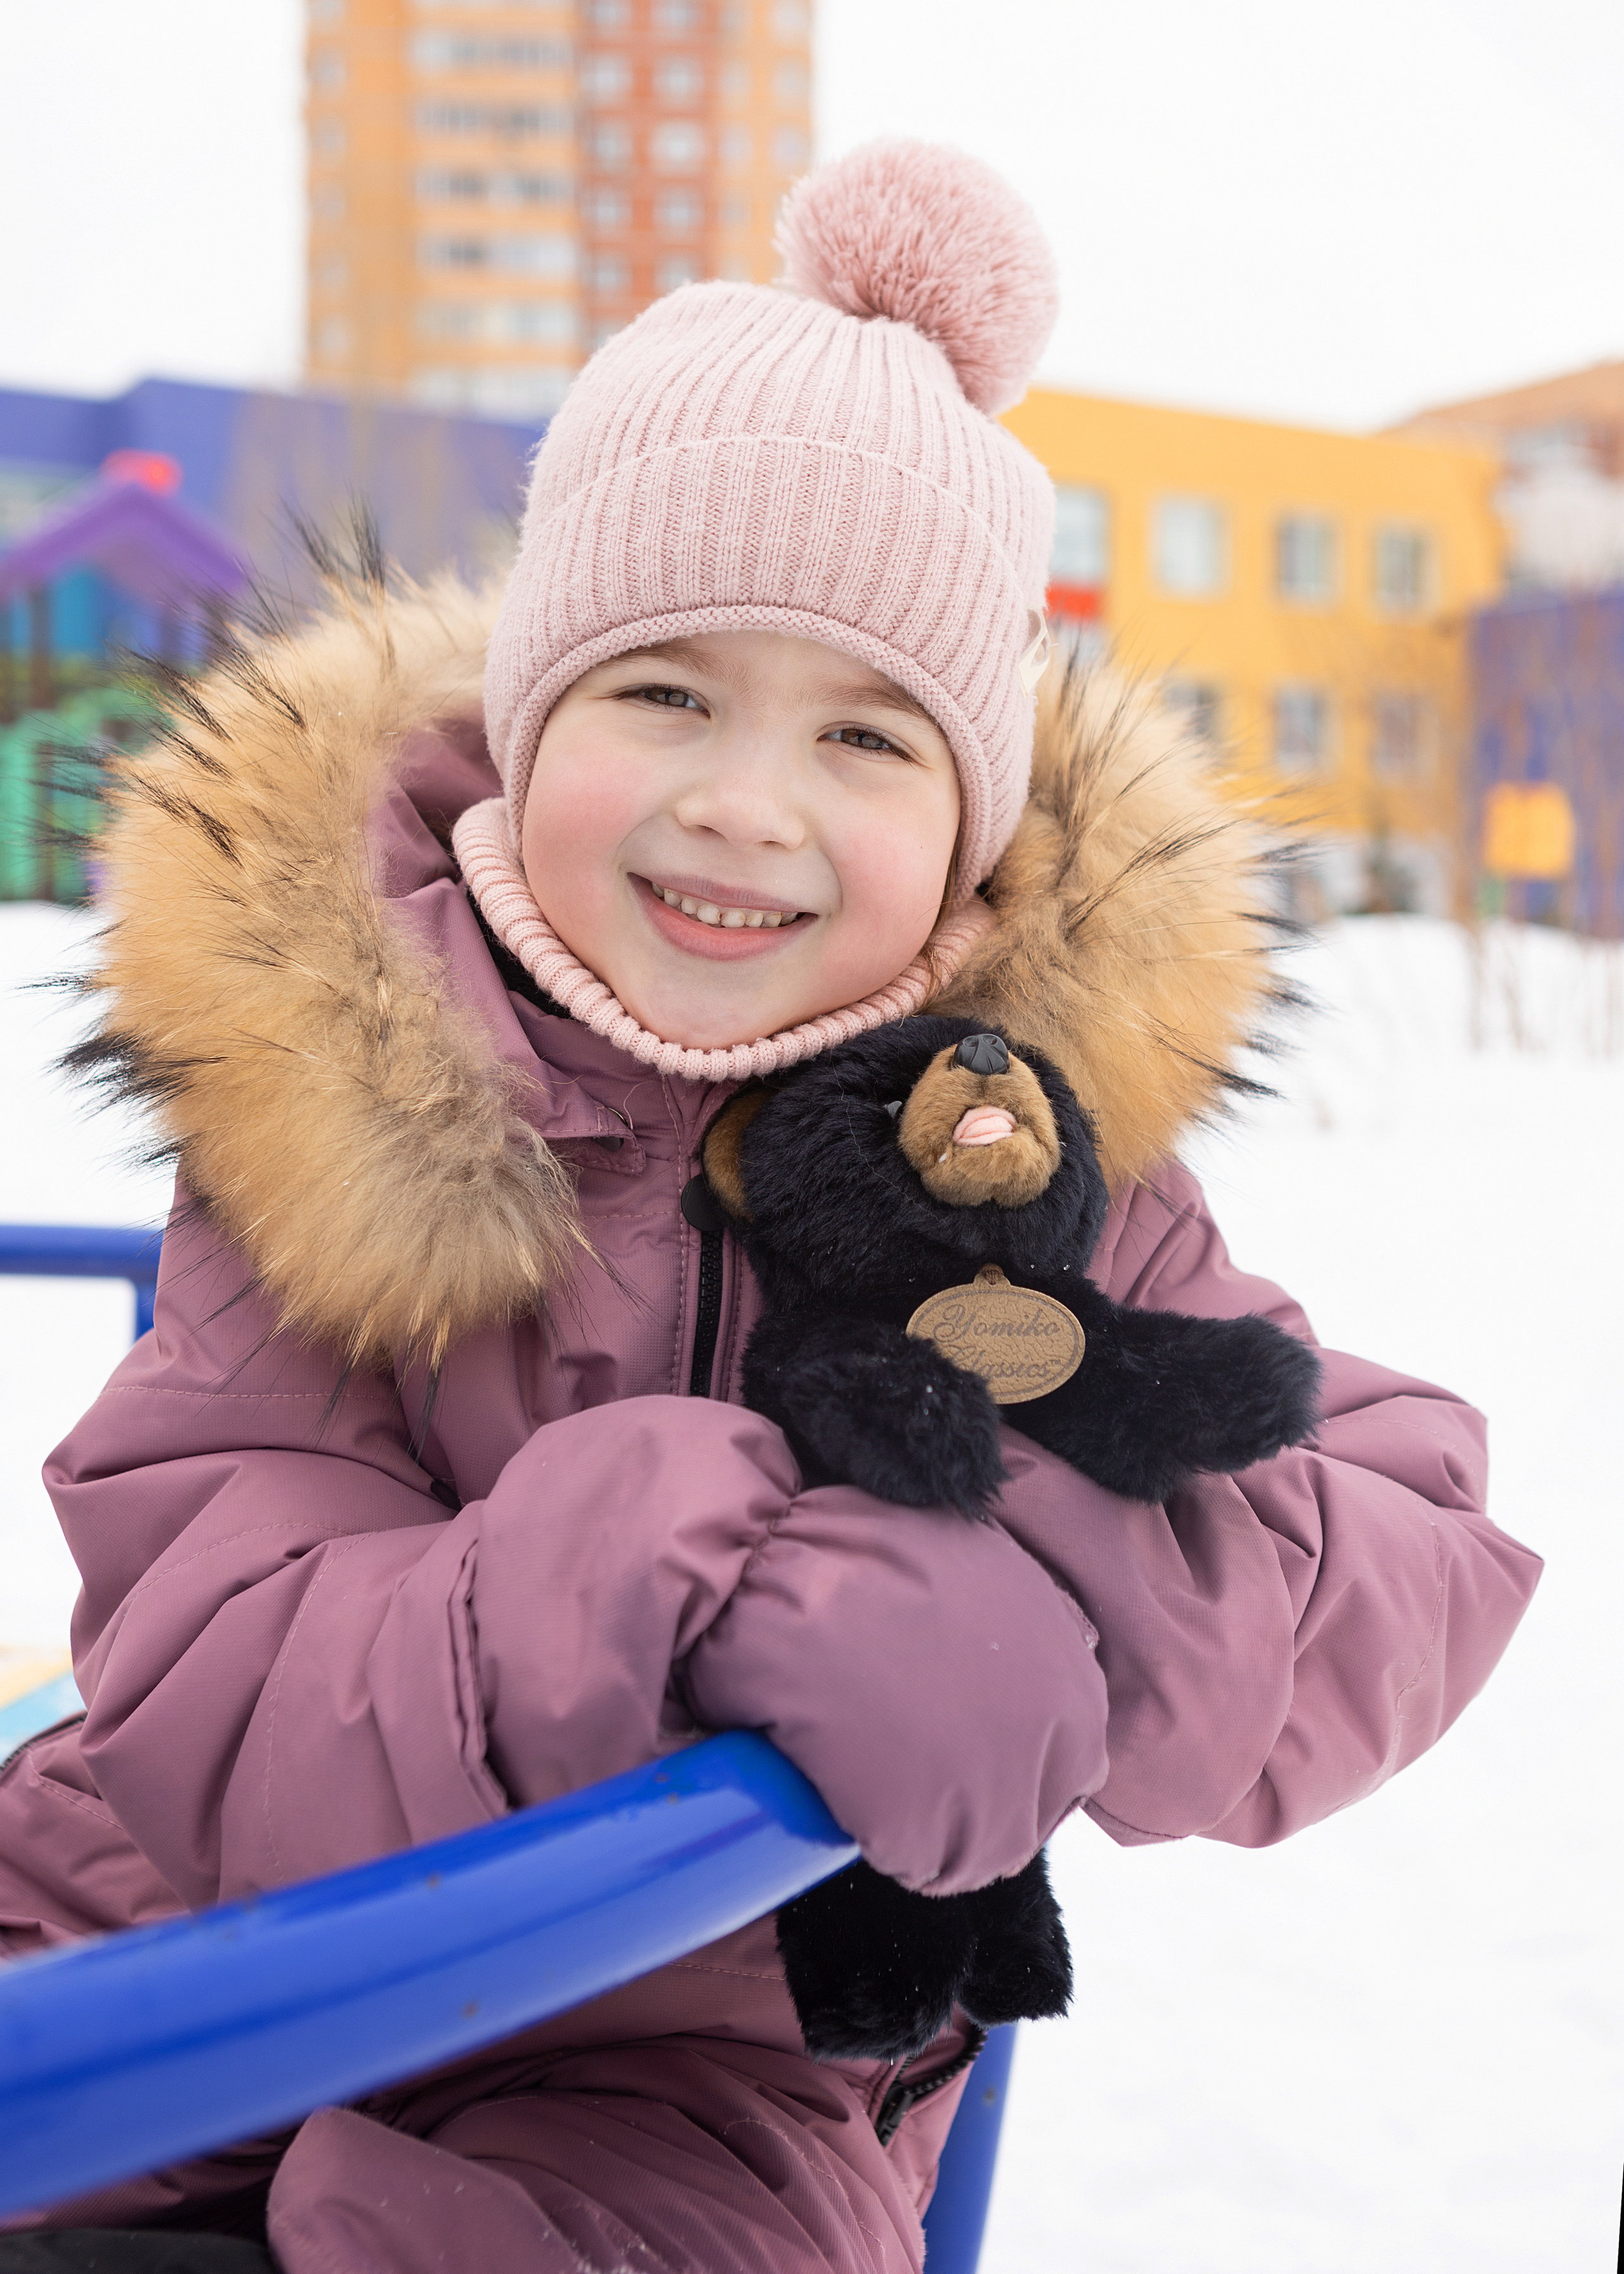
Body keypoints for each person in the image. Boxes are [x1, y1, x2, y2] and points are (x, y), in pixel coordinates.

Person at [0, 143, 1540, 2274]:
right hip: (172, 1923)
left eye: (867, 735)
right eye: (664, 695)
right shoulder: (346, 1093)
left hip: (708, 2051)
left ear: (975, 829)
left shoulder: (1023, 1153)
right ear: (530, 725)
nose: (749, 801)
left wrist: (1058, 1533)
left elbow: (1411, 1531)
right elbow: (213, 1665)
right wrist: (687, 1565)